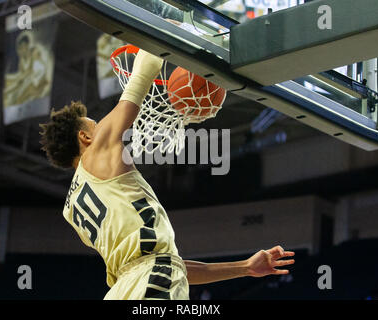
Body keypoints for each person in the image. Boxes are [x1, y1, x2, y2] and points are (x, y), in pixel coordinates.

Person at [39, 48, 295, 300]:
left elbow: (171, 267)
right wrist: (162, 32)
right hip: (148, 281)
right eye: (96, 125)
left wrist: (245, 268)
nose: (104, 125)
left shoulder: (71, 208)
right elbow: (141, 77)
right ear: (84, 137)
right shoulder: (97, 149)